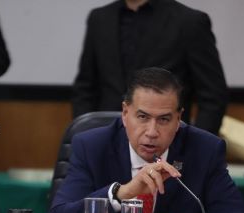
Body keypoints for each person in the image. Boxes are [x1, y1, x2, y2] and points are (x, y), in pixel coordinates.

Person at [48, 67, 244, 213]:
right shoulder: (92, 146)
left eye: (164, 119)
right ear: (125, 113)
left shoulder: (204, 150)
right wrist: (121, 193)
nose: (152, 132)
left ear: (178, 119)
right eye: (143, 117)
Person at [72, 0, 228, 135]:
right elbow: (85, 87)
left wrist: (196, 146)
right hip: (106, 140)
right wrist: (86, 136)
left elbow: (212, 95)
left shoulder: (189, 21)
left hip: (166, 142)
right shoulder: (99, 18)